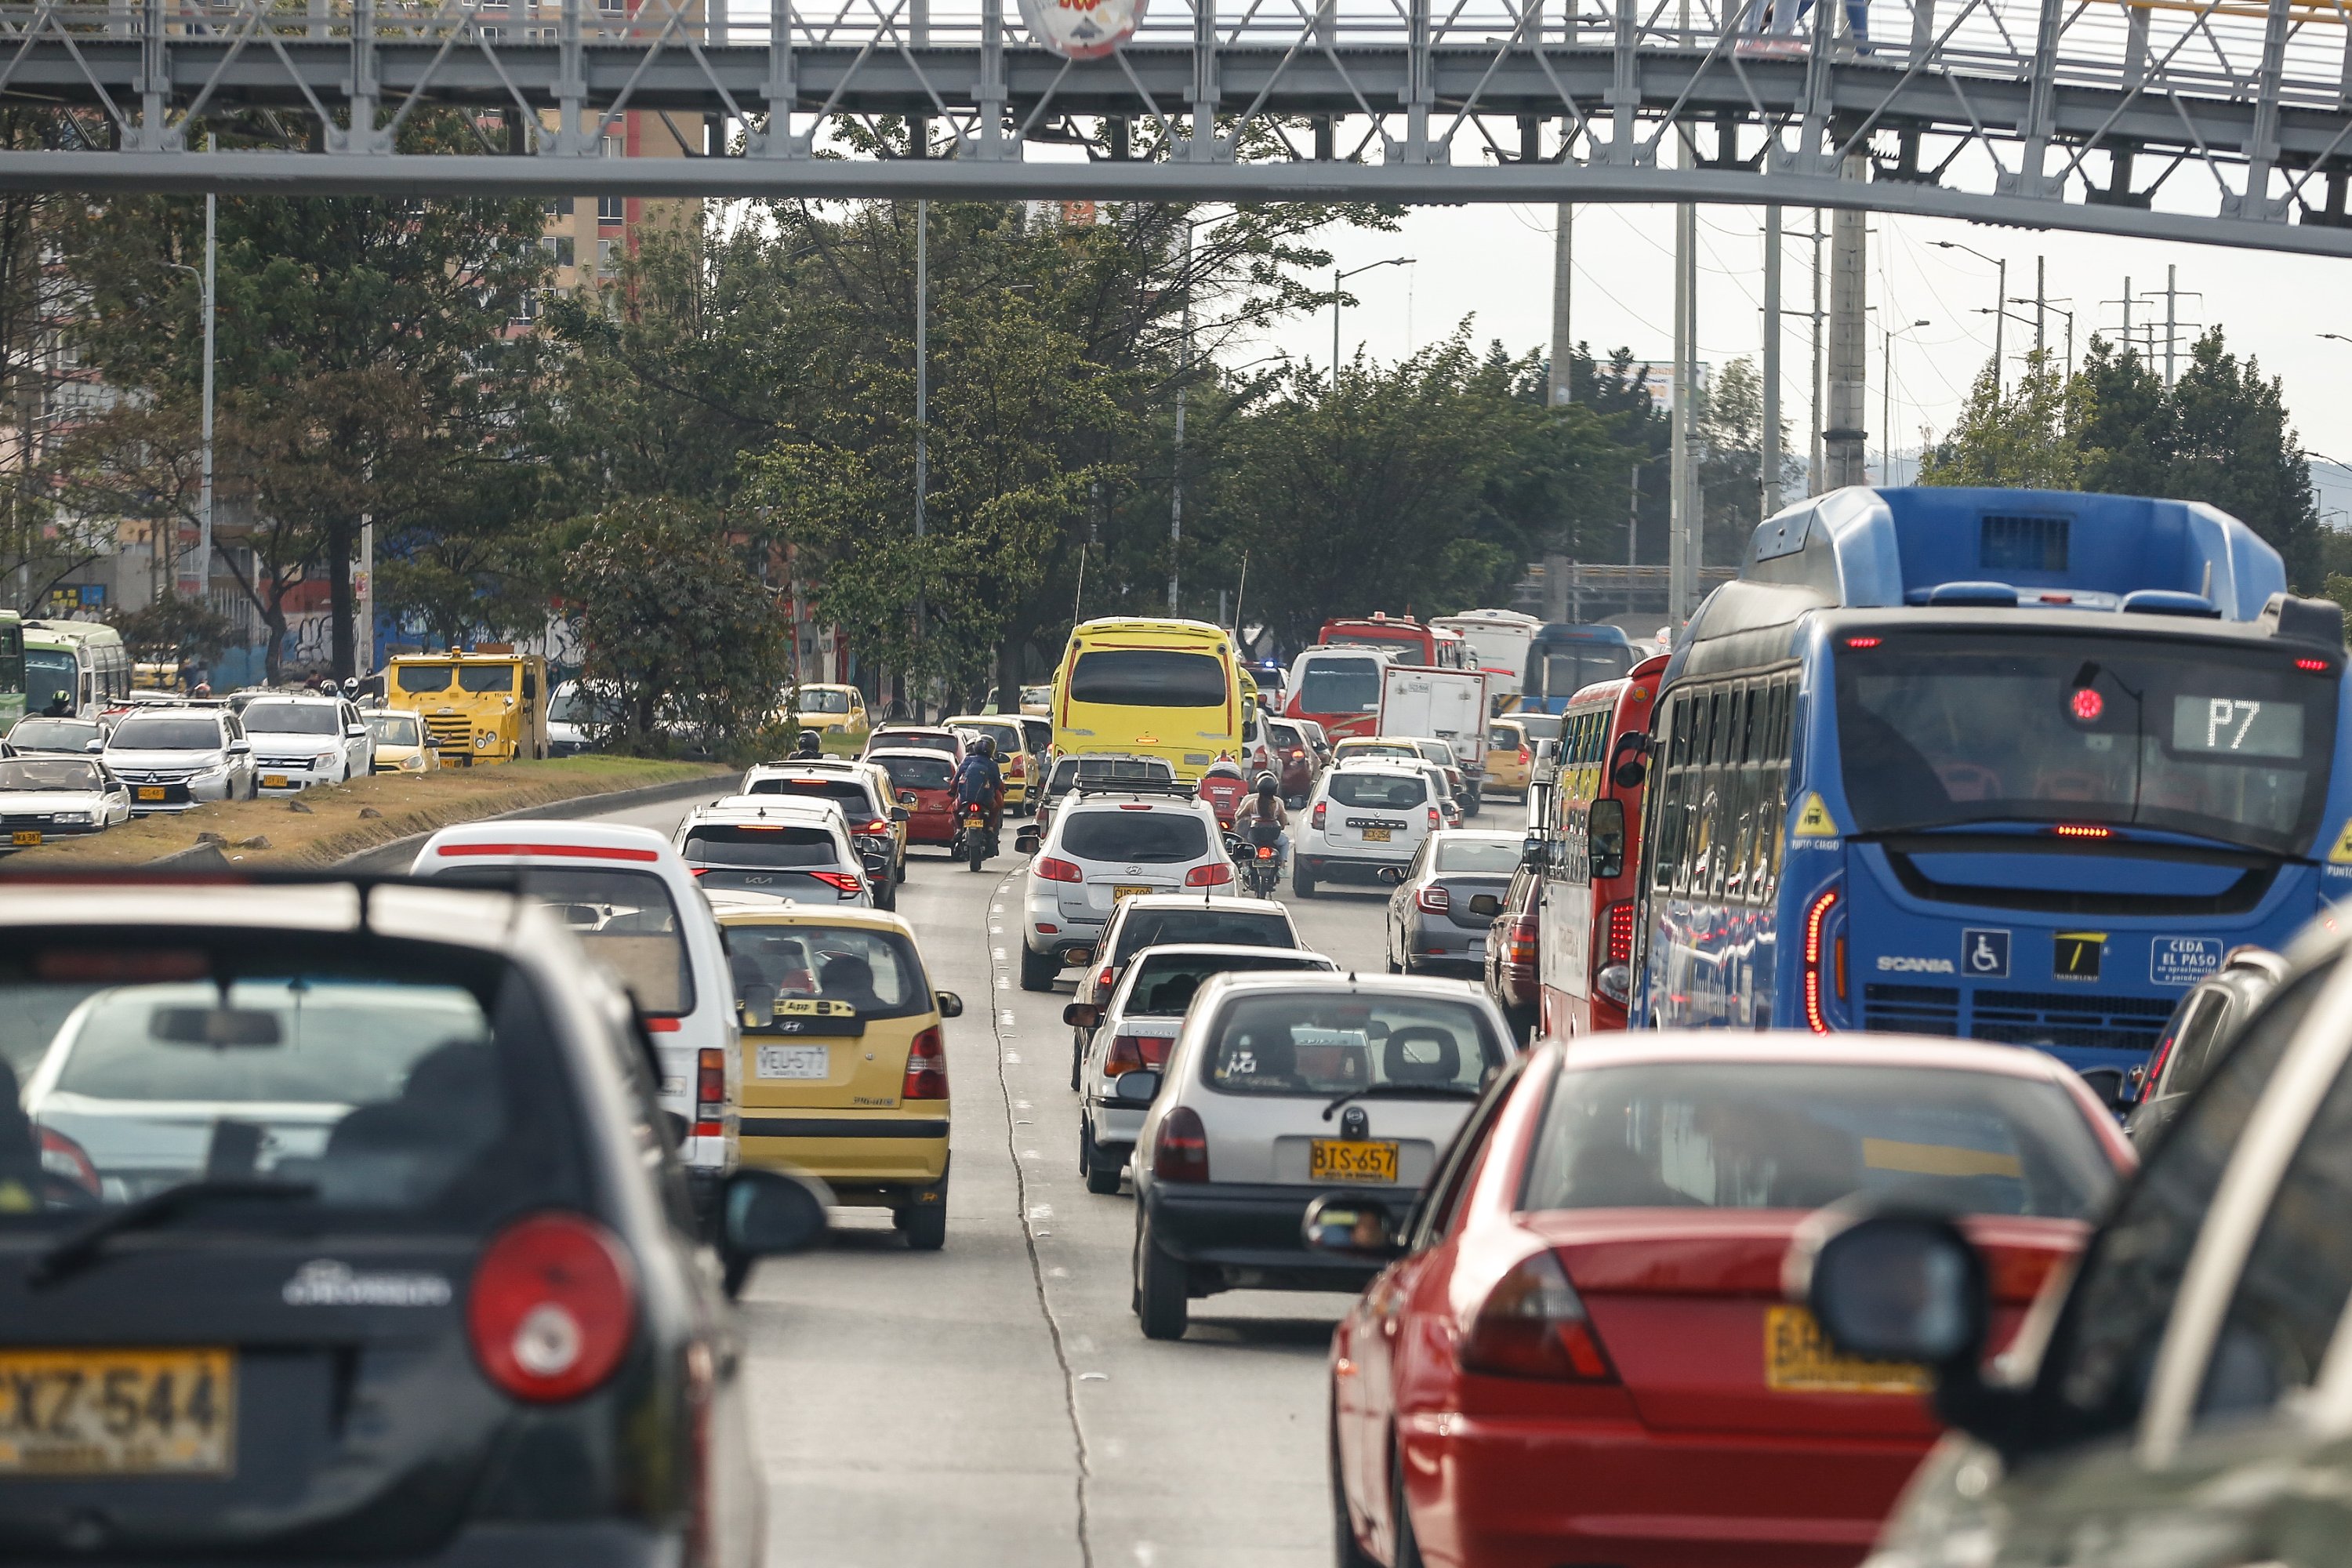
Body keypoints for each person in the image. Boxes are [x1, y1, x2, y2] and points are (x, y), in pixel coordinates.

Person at [1239, 771, 1289, 874]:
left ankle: (1244, 865)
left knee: (1244, 841)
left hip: (1254, 837)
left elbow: (1239, 815)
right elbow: (1283, 823)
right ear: (1275, 790)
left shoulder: (1252, 803)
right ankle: (1283, 867)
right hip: (1274, 838)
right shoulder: (1278, 805)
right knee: (1285, 842)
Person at [954, 735, 1005, 836]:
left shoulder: (966, 761)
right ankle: (990, 829)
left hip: (965, 798)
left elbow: (955, 780)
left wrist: (952, 791)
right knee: (995, 809)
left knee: (954, 809)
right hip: (986, 799)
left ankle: (959, 830)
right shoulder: (992, 765)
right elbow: (997, 784)